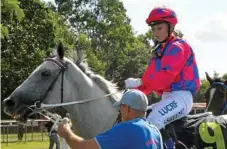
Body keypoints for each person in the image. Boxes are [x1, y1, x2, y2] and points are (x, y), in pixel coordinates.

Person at [124, 7, 200, 149]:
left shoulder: (179, 47)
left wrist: (140, 81)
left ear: (170, 27)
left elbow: (164, 78)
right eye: (153, 30)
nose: (155, 33)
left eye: (159, 28)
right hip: (167, 98)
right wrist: (131, 92)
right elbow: (149, 80)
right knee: (138, 117)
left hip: (181, 98)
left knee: (154, 119)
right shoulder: (159, 51)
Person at [58, 89, 163, 149]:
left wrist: (66, 132)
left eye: (121, 107)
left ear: (128, 108)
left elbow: (84, 147)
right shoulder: (155, 131)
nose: (120, 112)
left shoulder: (126, 128)